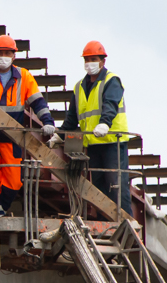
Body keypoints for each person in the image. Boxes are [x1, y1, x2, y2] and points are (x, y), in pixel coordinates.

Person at [0, 35, 56, 219]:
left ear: (14, 56)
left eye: (7, 53)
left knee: (14, 182)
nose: (3, 56)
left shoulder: (24, 77)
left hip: (12, 137)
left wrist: (48, 122)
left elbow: (37, 102)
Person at [48, 40, 132, 215]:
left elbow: (111, 104)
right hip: (93, 145)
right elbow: (72, 118)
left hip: (112, 143)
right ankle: (105, 224)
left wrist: (105, 123)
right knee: (98, 189)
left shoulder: (111, 81)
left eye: (93, 59)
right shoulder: (79, 87)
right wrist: (60, 135)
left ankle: (127, 224)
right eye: (87, 59)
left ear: (103, 61)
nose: (89, 63)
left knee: (116, 185)